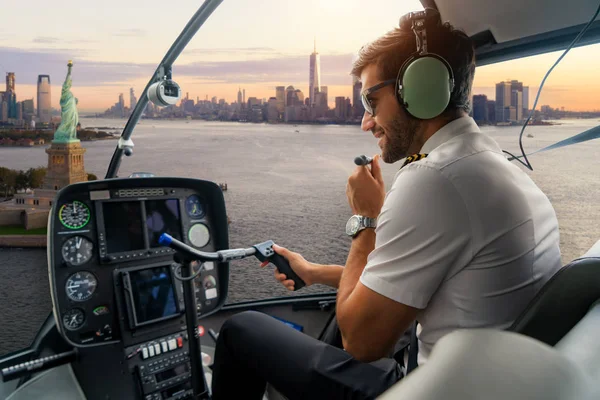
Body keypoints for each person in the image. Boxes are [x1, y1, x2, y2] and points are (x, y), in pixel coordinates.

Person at [210, 9, 562, 400]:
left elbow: (361, 343)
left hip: (431, 389)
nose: (366, 122)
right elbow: (407, 275)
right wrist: (313, 272)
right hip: (481, 380)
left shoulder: (436, 179)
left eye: (371, 100)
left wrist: (366, 220)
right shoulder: (488, 163)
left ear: (422, 88)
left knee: (241, 331)